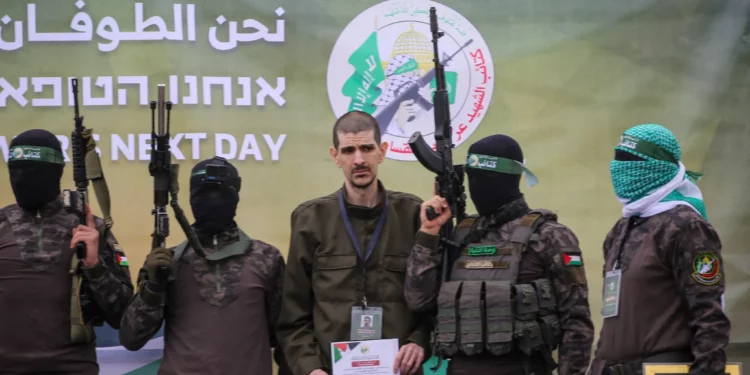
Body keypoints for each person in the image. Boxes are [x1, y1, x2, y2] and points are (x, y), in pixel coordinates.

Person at [405, 134, 595, 375]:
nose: (478, 187)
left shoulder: (550, 236)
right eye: (472, 178)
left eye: (485, 178)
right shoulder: (460, 234)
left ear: (509, 178)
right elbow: (419, 301)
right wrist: (428, 234)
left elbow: (576, 322)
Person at [277, 111, 433, 375]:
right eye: (348, 150)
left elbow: (436, 300)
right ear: (335, 156)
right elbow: (293, 317)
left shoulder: (413, 215)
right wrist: (311, 368)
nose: (359, 159)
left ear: (382, 151)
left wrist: (420, 341)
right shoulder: (310, 220)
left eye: (367, 148)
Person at [118, 156, 291, 375]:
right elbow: (131, 338)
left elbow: (286, 337)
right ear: (190, 199)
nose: (212, 200)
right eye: (203, 194)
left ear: (235, 198)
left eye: (221, 193)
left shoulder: (267, 258)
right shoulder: (166, 262)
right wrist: (153, 288)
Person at [587, 124, 731, 375]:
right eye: (618, 159)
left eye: (631, 160)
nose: (619, 167)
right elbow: (614, 315)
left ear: (658, 165)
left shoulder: (686, 227)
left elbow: (709, 314)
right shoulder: (621, 229)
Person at [0, 129, 134, 374]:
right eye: (14, 169)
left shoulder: (91, 227)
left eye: (31, 171)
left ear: (55, 173)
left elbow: (123, 316)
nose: (20, 179)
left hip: (73, 368)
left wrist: (94, 266)